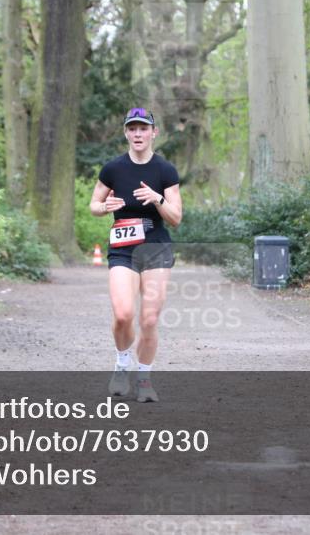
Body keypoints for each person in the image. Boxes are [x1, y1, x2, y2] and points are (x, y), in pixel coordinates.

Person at [89, 108, 182, 403]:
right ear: (126, 133)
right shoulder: (113, 169)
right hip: (123, 248)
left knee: (150, 319)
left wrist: (157, 199)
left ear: (154, 132)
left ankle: (143, 379)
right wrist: (103, 208)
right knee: (123, 314)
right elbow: (94, 203)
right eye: (133, 129)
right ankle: (121, 363)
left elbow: (176, 217)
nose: (138, 134)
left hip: (156, 247)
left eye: (143, 128)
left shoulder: (165, 170)